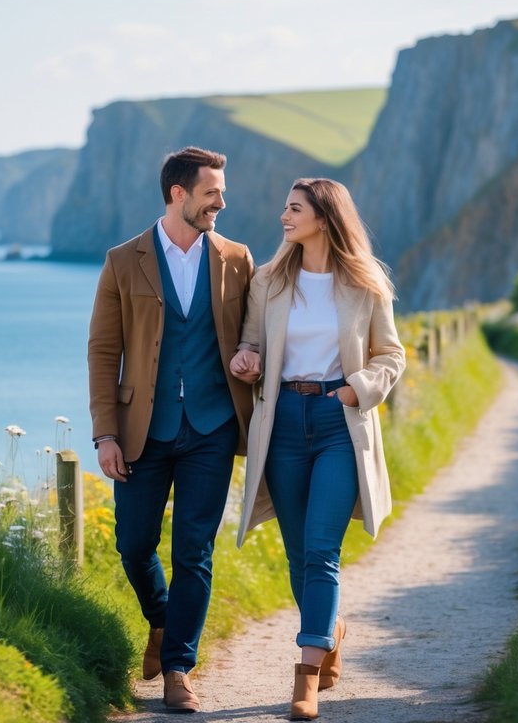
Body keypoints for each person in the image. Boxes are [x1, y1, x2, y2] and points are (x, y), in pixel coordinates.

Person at [230, 177, 405, 721]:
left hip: (338, 422)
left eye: (295, 208)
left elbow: (391, 355)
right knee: (295, 552)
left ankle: (304, 679)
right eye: (285, 207)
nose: (284, 216)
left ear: (325, 217)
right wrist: (246, 360)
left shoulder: (367, 283)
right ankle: (328, 632)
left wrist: (356, 390)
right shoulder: (268, 281)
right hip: (281, 421)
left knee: (320, 550)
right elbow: (250, 343)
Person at [87, 146, 254, 714]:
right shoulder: (122, 260)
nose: (221, 202)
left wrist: (250, 355)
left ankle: (179, 668)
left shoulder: (237, 258)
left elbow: (252, 331)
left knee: (194, 551)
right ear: (179, 194)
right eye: (212, 193)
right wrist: (104, 433)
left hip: (211, 426)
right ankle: (162, 620)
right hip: (142, 430)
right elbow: (103, 350)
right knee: (132, 543)